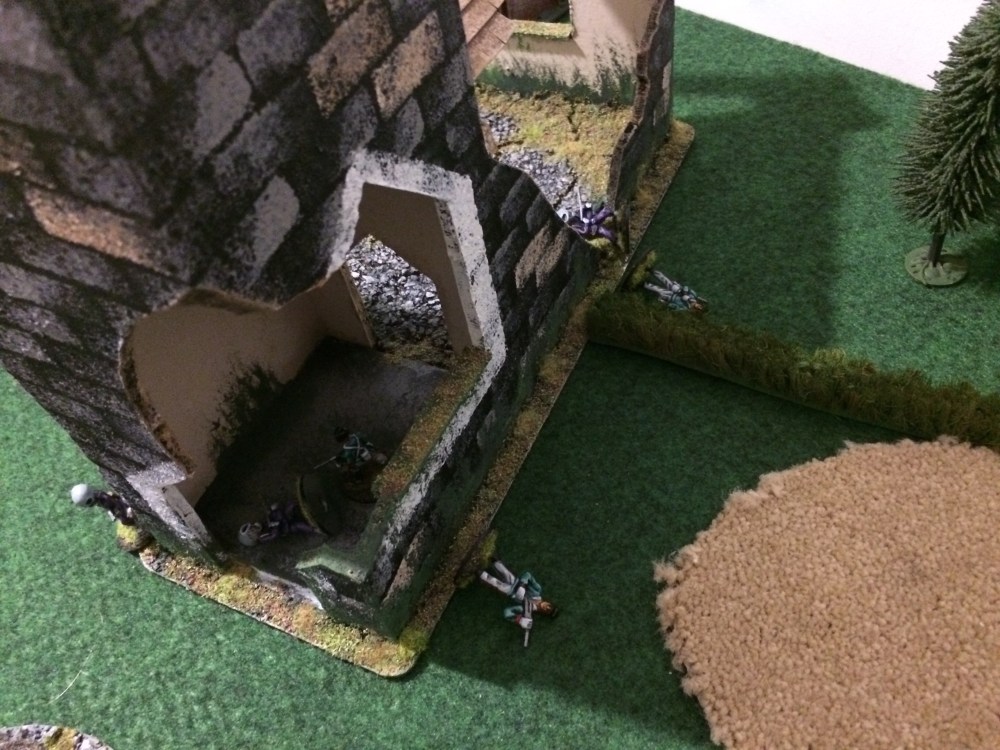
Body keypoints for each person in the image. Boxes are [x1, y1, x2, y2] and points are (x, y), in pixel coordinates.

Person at [479, 558, 558, 645]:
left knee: (494, 582)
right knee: (503, 570)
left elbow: (507, 612)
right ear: (549, 602)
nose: (547, 607)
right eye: (550, 606)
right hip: (515, 581)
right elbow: (528, 575)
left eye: (548, 610)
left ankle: (478, 571)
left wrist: (519, 620)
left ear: (544, 613)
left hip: (509, 591)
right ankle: (492, 559)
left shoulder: (526, 610)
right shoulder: (537, 590)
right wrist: (522, 585)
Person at [70, 483, 136, 525]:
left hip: (122, 504)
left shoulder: (105, 499)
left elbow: (116, 504)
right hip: (115, 502)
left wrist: (120, 515)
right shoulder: (97, 495)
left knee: (124, 521)